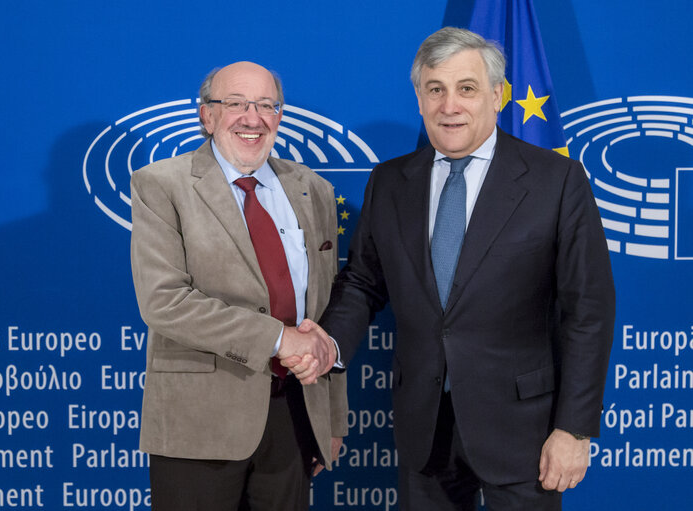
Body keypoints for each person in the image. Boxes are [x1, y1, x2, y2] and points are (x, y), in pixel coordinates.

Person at [290, 27, 615, 509]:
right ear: (419, 99)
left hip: (523, 432)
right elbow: (362, 282)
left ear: (497, 96)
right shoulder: (390, 181)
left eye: (467, 88)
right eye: (435, 89)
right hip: (424, 428)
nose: (450, 105)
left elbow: (588, 310)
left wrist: (573, 428)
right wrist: (329, 343)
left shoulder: (556, 180)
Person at [130, 61, 347, 511]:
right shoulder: (161, 185)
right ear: (206, 116)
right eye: (236, 104)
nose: (253, 118)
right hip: (198, 427)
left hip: (293, 416)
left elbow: (323, 312)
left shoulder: (314, 190)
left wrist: (331, 417)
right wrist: (276, 338)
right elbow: (164, 301)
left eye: (267, 105)